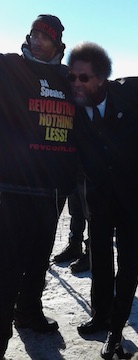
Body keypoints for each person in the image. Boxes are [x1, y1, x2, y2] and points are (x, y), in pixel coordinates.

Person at [68, 42, 138, 359]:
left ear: (101, 78)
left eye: (83, 78)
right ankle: (101, 314)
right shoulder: (71, 103)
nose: (75, 83)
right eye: (72, 77)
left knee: (128, 261)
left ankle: (116, 327)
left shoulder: (131, 91)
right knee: (99, 256)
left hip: (133, 194)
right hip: (97, 195)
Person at [0, 15, 78, 359]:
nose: (37, 40)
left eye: (45, 37)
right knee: (5, 267)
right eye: (33, 33)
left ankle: (28, 312)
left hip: (50, 190)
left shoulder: (67, 78)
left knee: (37, 259)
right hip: (11, 188)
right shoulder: (9, 67)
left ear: (58, 44)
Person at [53, 187, 91, 273]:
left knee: (90, 213)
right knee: (75, 211)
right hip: (74, 177)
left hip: (89, 179)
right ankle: (75, 246)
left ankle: (91, 252)